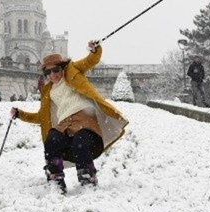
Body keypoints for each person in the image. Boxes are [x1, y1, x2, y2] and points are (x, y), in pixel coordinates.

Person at [10, 41, 129, 193]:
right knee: (52, 138)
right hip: (65, 125)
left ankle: (88, 177)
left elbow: (91, 60)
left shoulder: (73, 70)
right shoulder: (48, 91)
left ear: (62, 67)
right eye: (47, 72)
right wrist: (20, 114)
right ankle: (55, 178)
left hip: (85, 119)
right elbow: (42, 117)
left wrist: (95, 49)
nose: (52, 75)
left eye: (56, 70)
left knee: (81, 139)